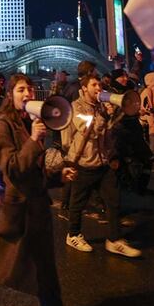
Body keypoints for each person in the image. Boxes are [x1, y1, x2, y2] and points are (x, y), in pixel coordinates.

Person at [0, 73, 73, 306]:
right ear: (10, 95)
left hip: (36, 211)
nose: (27, 92)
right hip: (11, 211)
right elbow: (13, 168)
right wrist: (33, 139)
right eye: (20, 89)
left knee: (46, 273)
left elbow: (35, 171)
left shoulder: (32, 122)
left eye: (29, 88)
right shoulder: (2, 127)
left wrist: (56, 176)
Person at [61, 74, 141, 257]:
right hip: (84, 162)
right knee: (77, 203)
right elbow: (90, 129)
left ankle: (114, 240)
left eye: (99, 84)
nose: (98, 88)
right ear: (84, 88)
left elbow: (109, 130)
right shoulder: (76, 107)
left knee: (114, 201)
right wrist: (104, 114)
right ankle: (73, 234)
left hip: (103, 162)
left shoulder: (101, 106)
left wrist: (116, 112)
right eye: (94, 84)